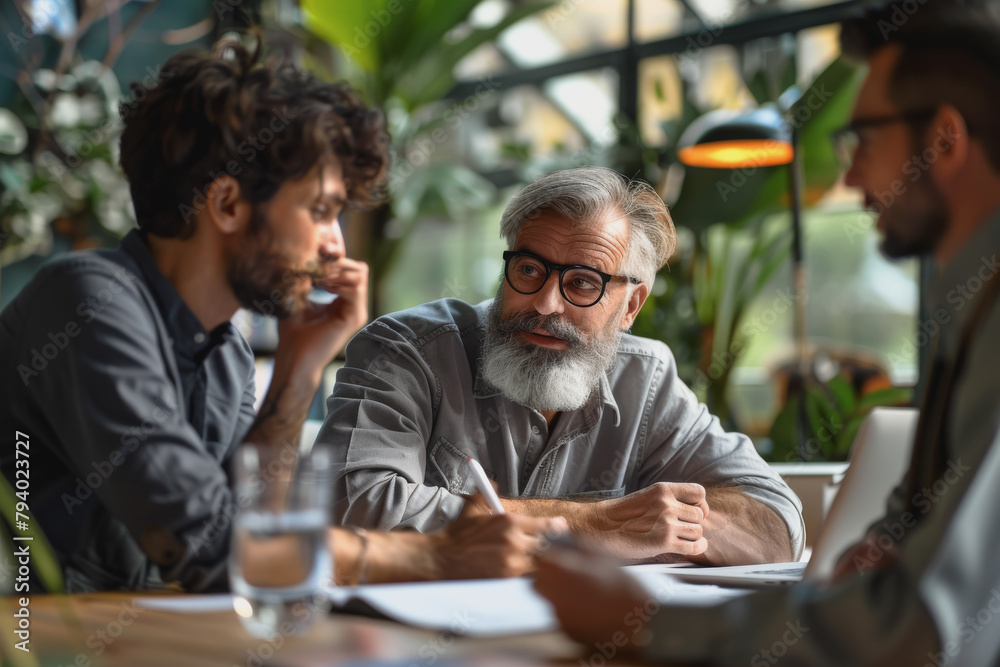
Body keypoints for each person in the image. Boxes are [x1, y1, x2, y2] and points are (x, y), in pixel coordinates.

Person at [0, 39, 561, 593]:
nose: (336, 246)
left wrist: (298, 371)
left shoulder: (226, 351)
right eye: (321, 211)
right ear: (225, 204)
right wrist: (437, 555)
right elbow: (213, 547)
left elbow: (253, 534)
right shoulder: (86, 301)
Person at [534, 4, 1000, 665]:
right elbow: (908, 572)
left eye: (862, 139)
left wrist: (641, 620)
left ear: (945, 139)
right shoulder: (972, 312)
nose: (849, 176)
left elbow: (914, 630)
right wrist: (885, 571)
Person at [321, 166, 804, 566]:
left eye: (581, 283)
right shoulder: (408, 350)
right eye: (529, 270)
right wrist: (598, 525)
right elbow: (351, 510)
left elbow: (776, 522)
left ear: (631, 305)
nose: (546, 304)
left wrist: (665, 526)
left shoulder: (646, 380)